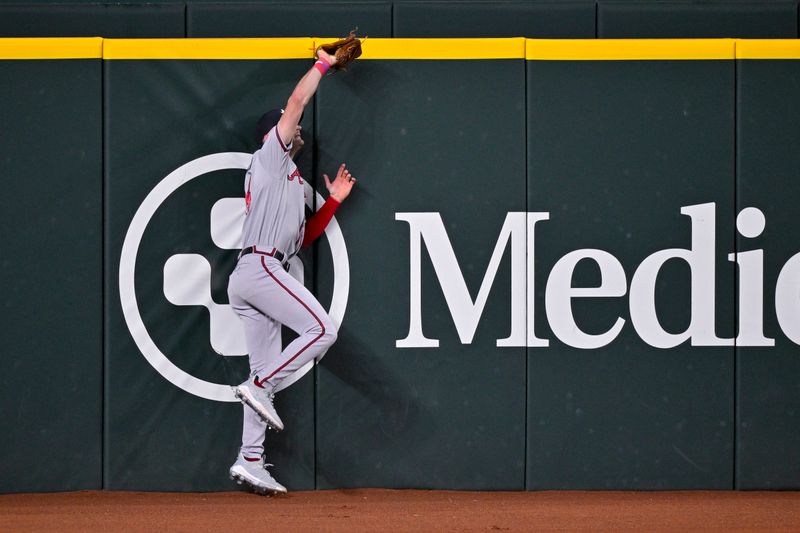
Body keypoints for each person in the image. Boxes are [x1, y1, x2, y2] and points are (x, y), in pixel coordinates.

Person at [227, 48, 356, 494]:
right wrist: (322, 64)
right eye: (285, 122)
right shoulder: (268, 159)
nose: (294, 125)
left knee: (261, 378)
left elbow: (302, 240)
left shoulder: (293, 183)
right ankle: (260, 385)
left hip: (256, 272)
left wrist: (334, 200)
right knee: (322, 330)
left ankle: (250, 459)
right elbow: (298, 102)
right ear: (272, 135)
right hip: (260, 267)